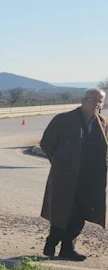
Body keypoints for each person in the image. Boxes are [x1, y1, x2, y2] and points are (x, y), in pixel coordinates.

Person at [40, 87, 108, 260]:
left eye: (100, 101)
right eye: (92, 100)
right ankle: (52, 241)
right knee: (61, 210)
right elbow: (47, 144)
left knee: (80, 213)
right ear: (83, 100)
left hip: (90, 178)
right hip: (66, 176)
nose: (96, 104)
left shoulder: (103, 123)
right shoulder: (63, 120)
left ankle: (67, 249)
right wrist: (60, 164)